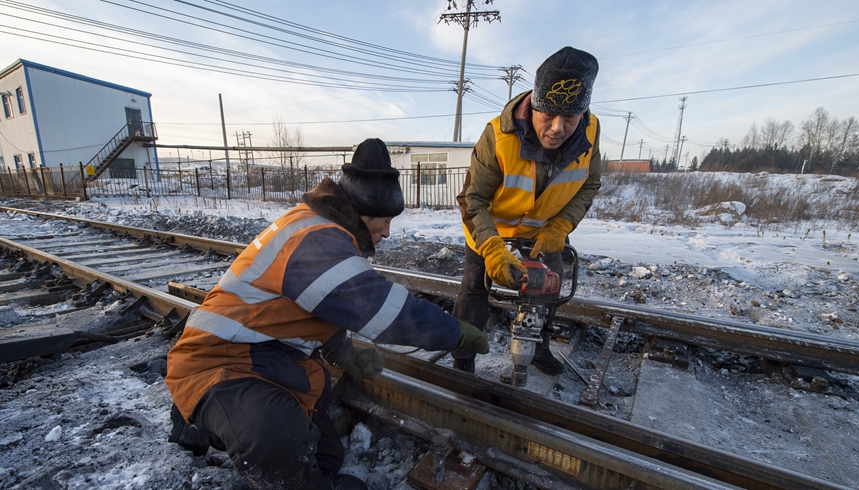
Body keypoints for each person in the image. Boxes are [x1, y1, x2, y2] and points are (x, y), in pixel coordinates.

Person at [165, 138, 489, 490]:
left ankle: (214, 425)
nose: (387, 232)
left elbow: (305, 306)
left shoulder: (322, 228)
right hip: (215, 362)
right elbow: (384, 309)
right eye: (383, 221)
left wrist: (341, 350)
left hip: (266, 357)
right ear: (362, 212)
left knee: (325, 457)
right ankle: (199, 419)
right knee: (278, 442)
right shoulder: (314, 237)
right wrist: (454, 332)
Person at [452, 46, 601, 376]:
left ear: (583, 113)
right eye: (548, 116)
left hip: (543, 230)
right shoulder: (499, 136)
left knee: (549, 284)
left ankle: (537, 345)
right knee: (474, 287)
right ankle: (463, 355)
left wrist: (560, 227)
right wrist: (491, 250)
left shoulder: (591, 132)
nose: (558, 128)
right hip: (491, 228)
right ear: (534, 105)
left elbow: (589, 183)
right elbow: (472, 199)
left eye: (570, 118)